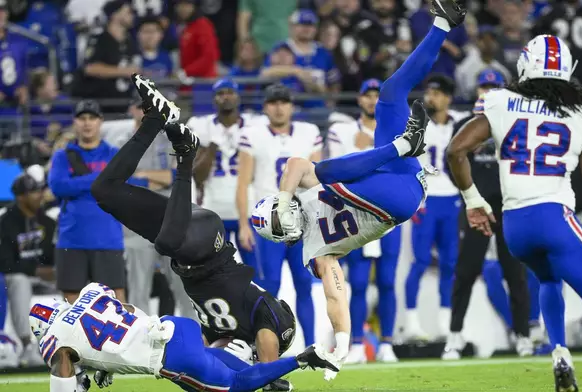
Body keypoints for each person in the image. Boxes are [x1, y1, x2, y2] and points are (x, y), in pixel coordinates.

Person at [250, 0, 467, 376]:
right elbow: (336, 294)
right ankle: (402, 144)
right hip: (391, 200)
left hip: (398, 176)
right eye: (283, 214)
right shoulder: (315, 249)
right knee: (328, 173)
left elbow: (337, 295)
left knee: (390, 93)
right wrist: (342, 343)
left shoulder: (312, 243)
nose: (288, 213)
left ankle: (442, 26)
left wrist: (342, 344)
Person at [91, 74, 301, 392]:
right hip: (207, 240)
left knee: (104, 190)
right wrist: (271, 377)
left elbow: (184, 360)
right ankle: (185, 156)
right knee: (167, 243)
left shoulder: (214, 331)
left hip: (183, 234)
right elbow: (270, 355)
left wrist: (114, 364)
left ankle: (152, 121)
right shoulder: (269, 318)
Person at [446, 34, 582, 391]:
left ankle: (559, 353)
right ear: (568, 69)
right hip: (553, 217)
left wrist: (473, 199)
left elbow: (456, 151)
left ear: (525, 64)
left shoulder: (499, 99)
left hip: (515, 227)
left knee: (548, 280)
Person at [29, 282, 338, 392]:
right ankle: (273, 382)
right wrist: (103, 365)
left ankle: (303, 357)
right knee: (217, 365)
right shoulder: (89, 293)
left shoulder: (53, 342)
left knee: (235, 386)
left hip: (167, 357)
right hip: (173, 326)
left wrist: (85, 372)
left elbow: (64, 376)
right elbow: (122, 308)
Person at [442, 69, 532, 359]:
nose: (488, 91)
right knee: (465, 272)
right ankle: (455, 336)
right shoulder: (465, 125)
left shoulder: (511, 123)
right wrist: (470, 195)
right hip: (476, 208)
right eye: (485, 86)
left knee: (515, 273)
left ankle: (523, 335)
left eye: (493, 86)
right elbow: (450, 163)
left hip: (507, 208)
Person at [236, 83, 320, 348]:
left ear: (292, 106)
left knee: (304, 284)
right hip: (267, 225)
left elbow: (318, 181)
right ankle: (262, 346)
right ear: (265, 107)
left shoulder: (309, 133)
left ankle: (312, 346)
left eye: (284, 102)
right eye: (273, 102)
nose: (279, 107)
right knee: (268, 286)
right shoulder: (253, 135)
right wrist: (242, 224)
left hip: (302, 222)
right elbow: (243, 183)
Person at [327, 79, 401, 364]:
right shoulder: (342, 131)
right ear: (359, 100)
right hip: (357, 214)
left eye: (376, 96)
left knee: (387, 281)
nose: (371, 101)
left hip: (390, 215)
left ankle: (387, 343)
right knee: (357, 282)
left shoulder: (396, 131)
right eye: (367, 95)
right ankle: (356, 342)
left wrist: (365, 151)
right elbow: (334, 171)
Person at [101, 99, 194, 321]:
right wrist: (154, 179)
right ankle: (141, 341)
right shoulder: (120, 141)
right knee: (138, 288)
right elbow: (119, 182)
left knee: (183, 286)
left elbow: (176, 176)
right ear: (131, 109)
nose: (145, 111)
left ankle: (196, 335)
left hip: (169, 220)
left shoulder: (171, 137)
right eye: (140, 106)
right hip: (134, 222)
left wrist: (141, 177)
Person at [403, 74, 467, 342]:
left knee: (450, 263)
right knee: (419, 261)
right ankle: (411, 321)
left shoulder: (460, 122)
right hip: (426, 201)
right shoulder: (416, 121)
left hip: (452, 199)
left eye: (437, 93)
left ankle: (445, 323)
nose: (431, 97)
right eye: (429, 92)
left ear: (448, 98)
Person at [47, 100, 130, 304]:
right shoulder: (62, 156)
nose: (87, 123)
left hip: (108, 239)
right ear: (75, 122)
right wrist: (100, 178)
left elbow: (119, 188)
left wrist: (78, 183)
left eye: (92, 118)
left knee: (116, 302)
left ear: (100, 121)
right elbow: (58, 186)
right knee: (70, 306)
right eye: (82, 118)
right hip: (71, 239)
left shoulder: (113, 154)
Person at [191, 79, 258, 271]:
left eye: (230, 92)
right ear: (214, 99)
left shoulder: (254, 125)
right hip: (214, 209)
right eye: (221, 93)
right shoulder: (202, 126)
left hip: (249, 208)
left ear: (238, 97)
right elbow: (198, 175)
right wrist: (212, 146)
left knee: (257, 273)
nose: (226, 97)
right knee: (215, 272)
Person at [0, 171, 55, 366]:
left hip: (45, 277)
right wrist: (35, 270)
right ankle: (27, 345)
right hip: (18, 277)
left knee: (72, 279)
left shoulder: (47, 222)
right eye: (33, 192)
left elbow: (54, 255)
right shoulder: (6, 222)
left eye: (40, 190)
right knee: (20, 282)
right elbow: (4, 262)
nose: (39, 195)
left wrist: (54, 270)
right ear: (20, 196)